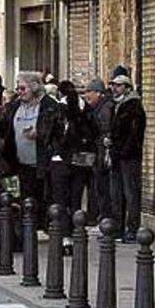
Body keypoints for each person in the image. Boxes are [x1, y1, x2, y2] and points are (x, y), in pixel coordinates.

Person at [2, 72, 60, 229]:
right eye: (17, 89)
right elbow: (5, 128)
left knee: (44, 199)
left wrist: (39, 135)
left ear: (34, 88)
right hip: (20, 163)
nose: (19, 92)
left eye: (22, 88)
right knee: (24, 199)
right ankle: (28, 229)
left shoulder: (48, 105)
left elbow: (55, 130)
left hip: (43, 164)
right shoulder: (15, 105)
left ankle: (45, 227)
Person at [49, 80, 98, 252]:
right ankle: (77, 233)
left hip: (60, 160)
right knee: (76, 200)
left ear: (60, 93)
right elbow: (95, 132)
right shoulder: (86, 109)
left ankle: (65, 238)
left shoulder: (58, 109)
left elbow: (51, 134)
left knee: (61, 201)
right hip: (81, 161)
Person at [107, 74, 146, 244]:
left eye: (119, 85)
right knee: (116, 194)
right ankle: (118, 228)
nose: (114, 88)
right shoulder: (116, 105)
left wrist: (124, 149)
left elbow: (135, 134)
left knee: (130, 193)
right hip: (117, 155)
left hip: (129, 157)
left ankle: (132, 228)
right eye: (113, 85)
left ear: (127, 87)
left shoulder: (133, 107)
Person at [84, 78, 113, 222]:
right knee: (97, 186)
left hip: (102, 153)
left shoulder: (105, 109)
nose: (86, 95)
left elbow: (104, 131)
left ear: (99, 93)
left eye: (89, 91)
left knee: (103, 187)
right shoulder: (98, 108)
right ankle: (98, 215)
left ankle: (105, 216)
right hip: (97, 153)